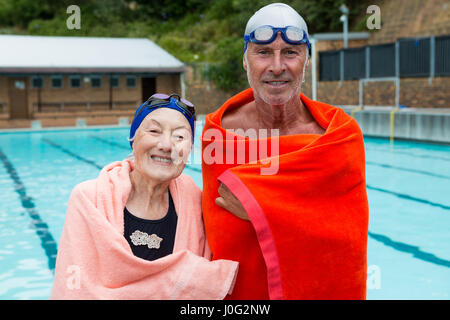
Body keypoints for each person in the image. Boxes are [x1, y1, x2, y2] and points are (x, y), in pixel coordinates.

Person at [201, 3, 369, 299]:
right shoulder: (221, 135)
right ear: (245, 61)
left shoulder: (338, 136)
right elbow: (220, 228)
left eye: (290, 52)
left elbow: (346, 236)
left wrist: (260, 210)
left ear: (306, 61)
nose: (277, 66)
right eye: (263, 52)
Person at [51, 93, 238, 299]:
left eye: (180, 136)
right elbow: (74, 288)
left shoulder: (196, 202)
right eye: (154, 131)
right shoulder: (90, 199)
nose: (167, 145)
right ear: (133, 139)